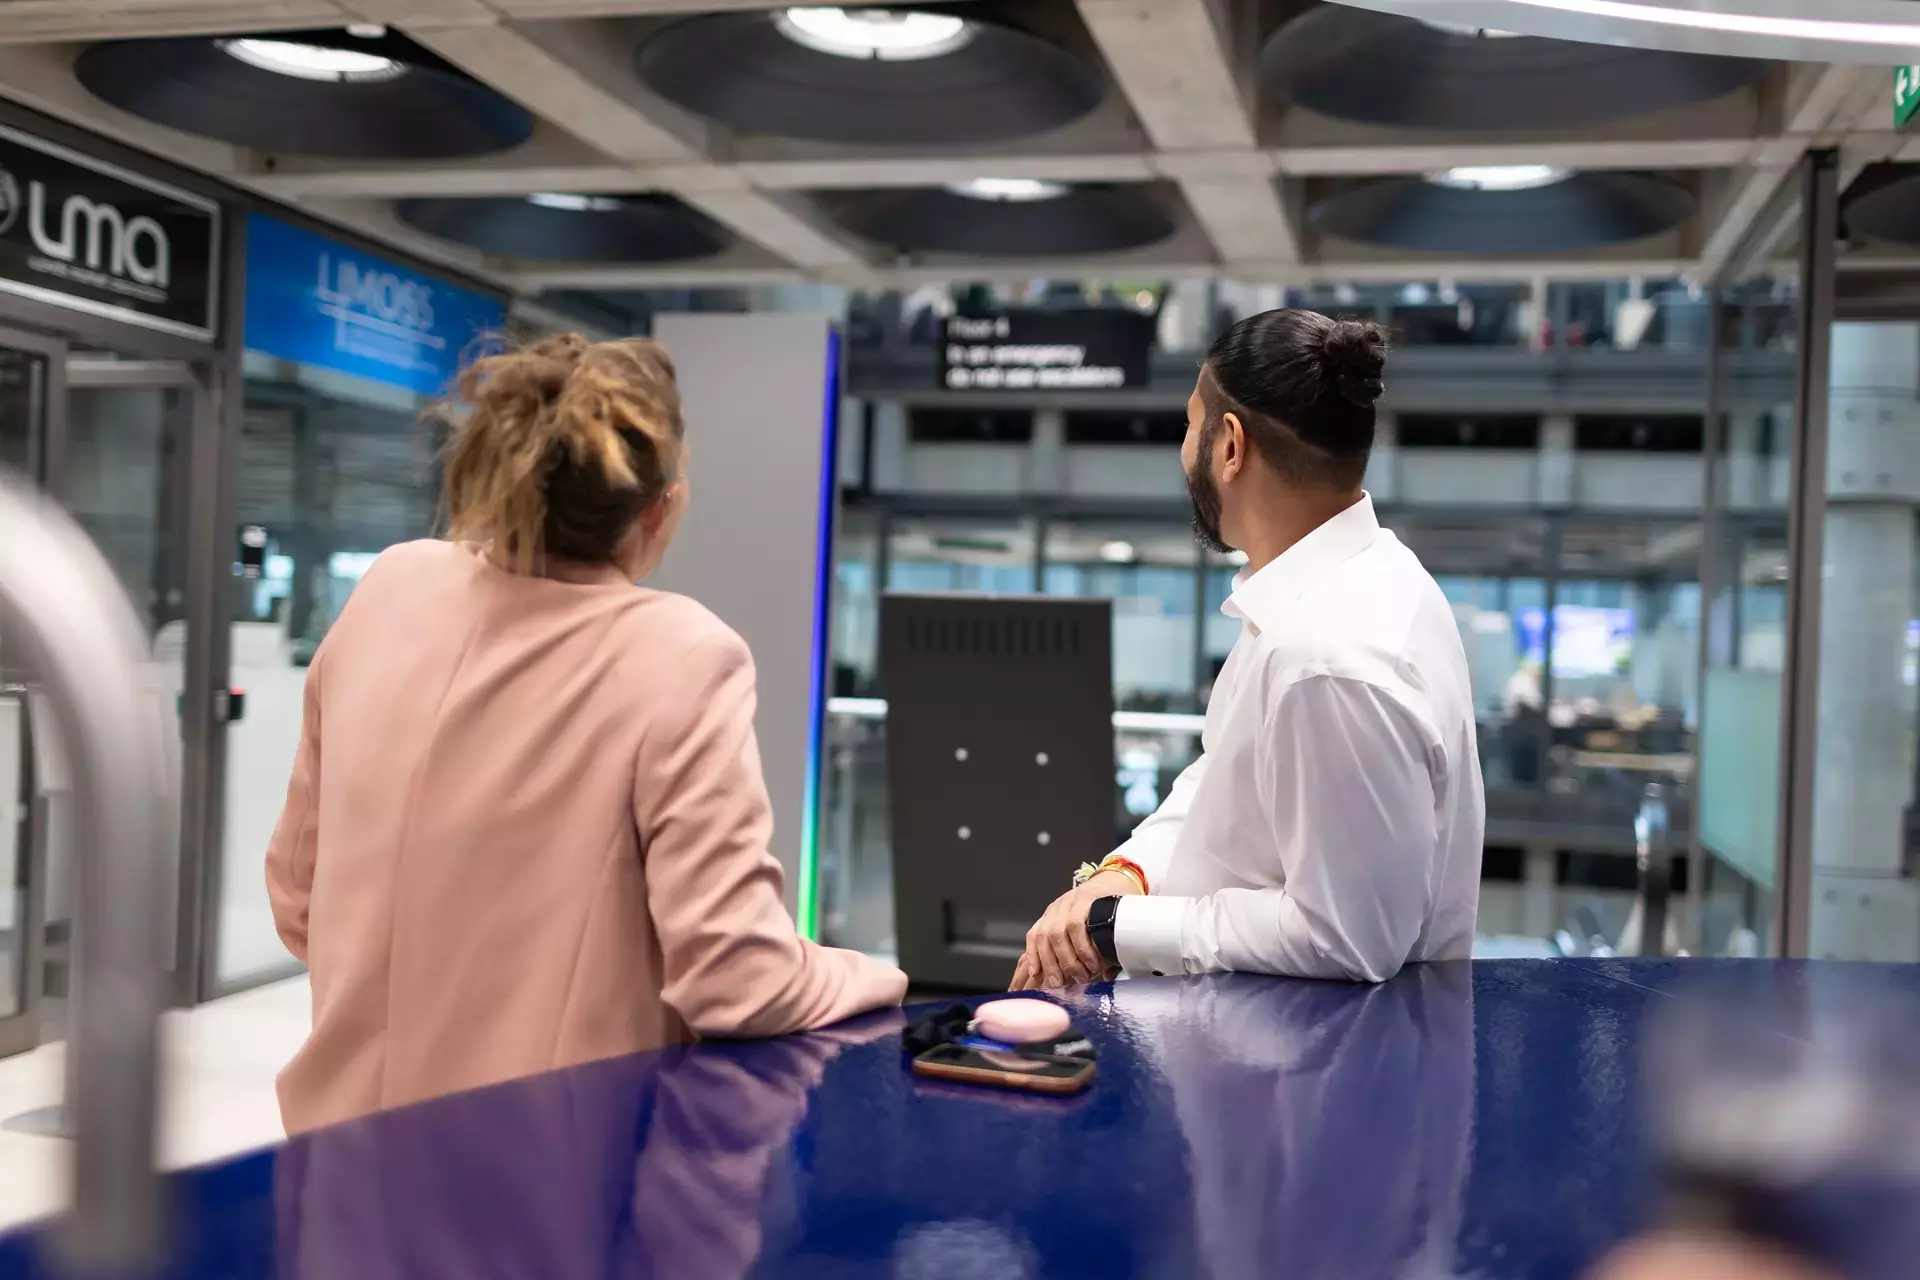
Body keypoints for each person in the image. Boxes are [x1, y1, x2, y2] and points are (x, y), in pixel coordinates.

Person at [266, 333, 906, 1134]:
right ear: (657, 509)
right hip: (535, 1191)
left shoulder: (391, 587)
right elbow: (735, 979)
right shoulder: (680, 654)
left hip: (337, 1165)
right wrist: (866, 977)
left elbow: (299, 900)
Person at [1012, 309, 1485, 990]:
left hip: (1309, 1077)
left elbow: (1348, 939)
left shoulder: (1327, 658)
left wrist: (1119, 930)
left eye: (1189, 424)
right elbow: (1230, 776)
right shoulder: (1346, 583)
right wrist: (1128, 873)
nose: (1183, 452)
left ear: (1229, 445)